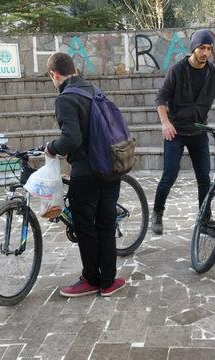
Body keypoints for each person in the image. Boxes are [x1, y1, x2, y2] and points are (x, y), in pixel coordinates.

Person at [44, 52, 126, 298]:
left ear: (54, 75)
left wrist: (51, 147)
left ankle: (91, 279)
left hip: (87, 171)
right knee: (105, 224)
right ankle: (108, 281)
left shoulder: (66, 99)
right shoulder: (94, 89)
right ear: (76, 71)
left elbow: (72, 140)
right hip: (112, 166)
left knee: (85, 227)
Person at [152, 29, 215, 235]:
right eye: (201, 48)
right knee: (170, 174)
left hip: (198, 131)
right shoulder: (177, 70)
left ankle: (203, 219)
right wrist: (165, 123)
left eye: (209, 48)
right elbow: (160, 99)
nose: (205, 52)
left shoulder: (213, 73)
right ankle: (158, 212)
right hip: (175, 131)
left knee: (204, 177)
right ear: (193, 48)